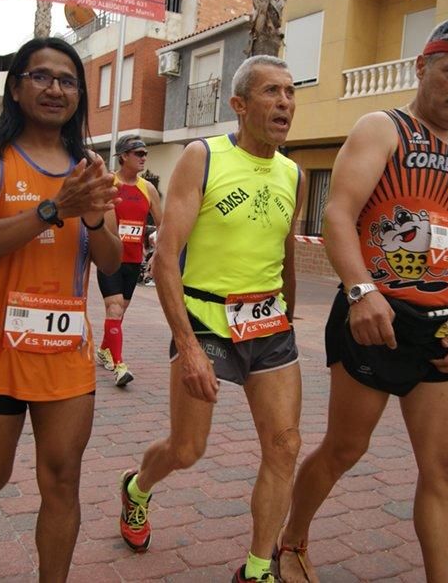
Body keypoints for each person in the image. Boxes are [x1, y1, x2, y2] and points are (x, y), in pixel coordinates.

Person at [276, 19, 448, 583]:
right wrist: (362, 292)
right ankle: (292, 539)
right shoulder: (383, 128)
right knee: (345, 448)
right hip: (375, 318)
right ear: (422, 67)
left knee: (446, 470)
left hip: (446, 330)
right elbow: (338, 214)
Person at [0, 37, 121, 581]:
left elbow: (110, 257)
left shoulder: (89, 165)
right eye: (41, 77)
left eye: (67, 81)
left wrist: (90, 216)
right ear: (16, 89)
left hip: (64, 351)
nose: (55, 89)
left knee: (63, 479)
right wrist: (52, 209)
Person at [118, 55, 304, 583]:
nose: (285, 102)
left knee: (285, 446)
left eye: (290, 92)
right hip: (205, 322)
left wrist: (288, 316)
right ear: (240, 105)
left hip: (269, 328)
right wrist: (190, 347)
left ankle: (258, 568)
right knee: (188, 449)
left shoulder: (292, 170)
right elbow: (165, 257)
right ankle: (137, 488)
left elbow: (285, 253)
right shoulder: (204, 157)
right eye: (272, 92)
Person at [93, 134, 162, 387]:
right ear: (124, 156)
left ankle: (104, 350)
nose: (144, 158)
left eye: (145, 154)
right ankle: (120, 366)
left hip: (134, 261)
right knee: (114, 309)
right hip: (110, 259)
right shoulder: (109, 182)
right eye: (139, 153)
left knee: (118, 315)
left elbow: (162, 224)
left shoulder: (148, 188)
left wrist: (157, 252)